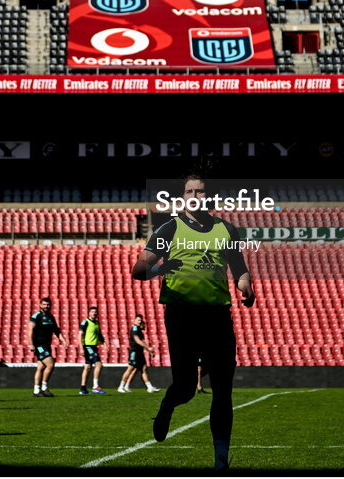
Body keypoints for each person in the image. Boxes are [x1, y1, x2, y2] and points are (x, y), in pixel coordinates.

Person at [132, 175, 256, 471]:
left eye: (200, 191)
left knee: (223, 389)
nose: (195, 195)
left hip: (217, 317)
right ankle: (166, 407)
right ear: (182, 197)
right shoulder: (170, 228)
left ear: (209, 196)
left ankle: (221, 460)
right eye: (189, 191)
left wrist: (247, 287)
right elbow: (138, 270)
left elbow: (239, 270)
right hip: (181, 315)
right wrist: (162, 267)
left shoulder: (226, 229)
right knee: (186, 388)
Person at [28, 296, 66, 397]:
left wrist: (63, 340)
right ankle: (44, 388)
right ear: (40, 305)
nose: (46, 306)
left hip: (47, 345)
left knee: (40, 367)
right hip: (39, 345)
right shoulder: (36, 316)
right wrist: (31, 343)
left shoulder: (51, 316)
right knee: (50, 364)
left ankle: (36, 391)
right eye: (44, 304)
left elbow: (56, 330)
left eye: (48, 304)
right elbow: (30, 330)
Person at [117, 314, 159, 393]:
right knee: (130, 369)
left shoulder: (139, 330)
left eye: (140, 320)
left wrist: (149, 350)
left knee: (144, 369)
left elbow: (142, 341)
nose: (139, 322)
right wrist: (148, 348)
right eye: (138, 320)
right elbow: (137, 340)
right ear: (134, 321)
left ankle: (149, 387)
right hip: (134, 351)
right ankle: (120, 387)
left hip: (140, 352)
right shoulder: (135, 328)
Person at [78, 305, 106, 394]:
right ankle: (95, 386)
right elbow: (80, 335)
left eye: (95, 312)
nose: (94, 313)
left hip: (94, 347)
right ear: (89, 313)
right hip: (88, 346)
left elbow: (99, 334)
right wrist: (81, 348)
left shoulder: (97, 323)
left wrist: (104, 343)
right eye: (92, 312)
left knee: (88, 367)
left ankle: (83, 389)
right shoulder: (85, 322)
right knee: (99, 364)